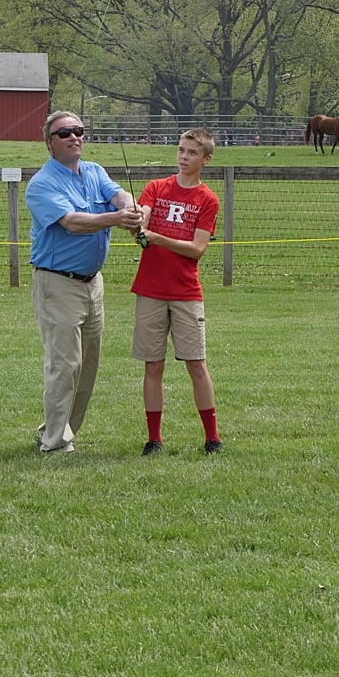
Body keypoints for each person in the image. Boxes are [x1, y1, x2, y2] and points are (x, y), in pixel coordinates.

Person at [26, 111, 143, 453]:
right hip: (57, 284)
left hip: (93, 284)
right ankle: (54, 443)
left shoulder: (93, 171)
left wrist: (132, 208)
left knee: (88, 364)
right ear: (49, 143)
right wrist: (117, 218)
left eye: (78, 131)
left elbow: (119, 195)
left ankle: (61, 430)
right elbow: (73, 222)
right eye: (65, 133)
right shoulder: (42, 184)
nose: (74, 137)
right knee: (64, 363)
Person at [130, 128, 223, 456]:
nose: (184, 157)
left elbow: (197, 249)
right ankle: (153, 438)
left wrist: (155, 237)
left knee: (196, 363)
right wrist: (138, 221)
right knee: (153, 365)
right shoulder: (156, 187)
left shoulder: (208, 199)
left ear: (206, 160)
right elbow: (143, 218)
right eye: (181, 151)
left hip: (186, 293)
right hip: (150, 290)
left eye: (192, 153)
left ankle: (212, 437)